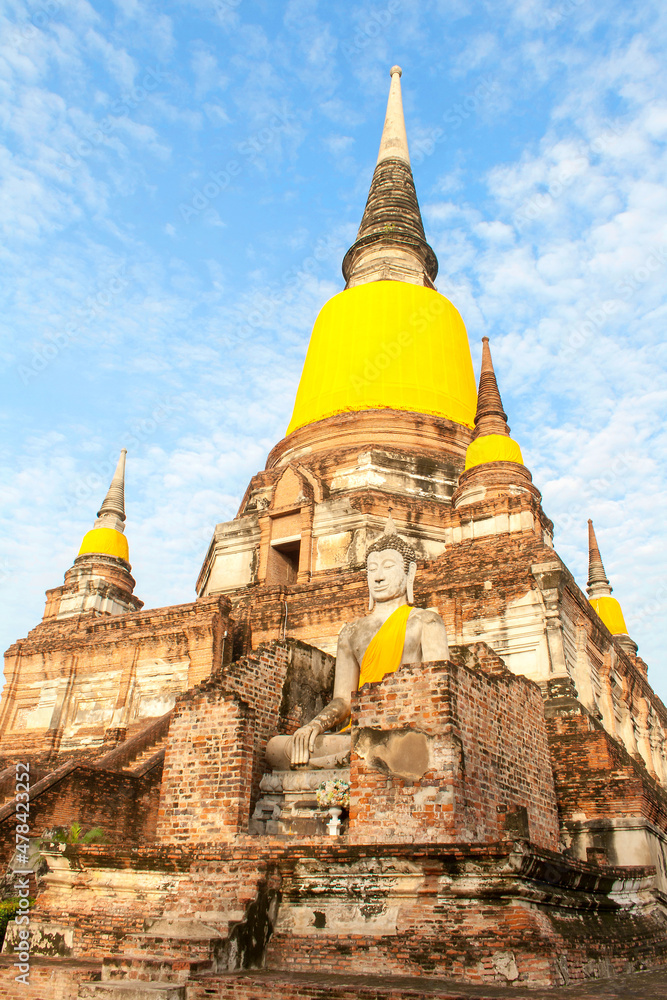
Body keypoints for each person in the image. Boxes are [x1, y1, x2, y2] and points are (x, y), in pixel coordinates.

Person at [264, 517, 449, 770]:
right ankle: (352, 759)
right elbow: (343, 700)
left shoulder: (426, 622)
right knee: (276, 748)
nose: (379, 577)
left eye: (388, 566)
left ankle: (348, 761)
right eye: (372, 569)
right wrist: (314, 725)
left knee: (396, 744)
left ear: (410, 572)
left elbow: (436, 692)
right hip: (358, 732)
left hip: (405, 729)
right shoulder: (351, 633)